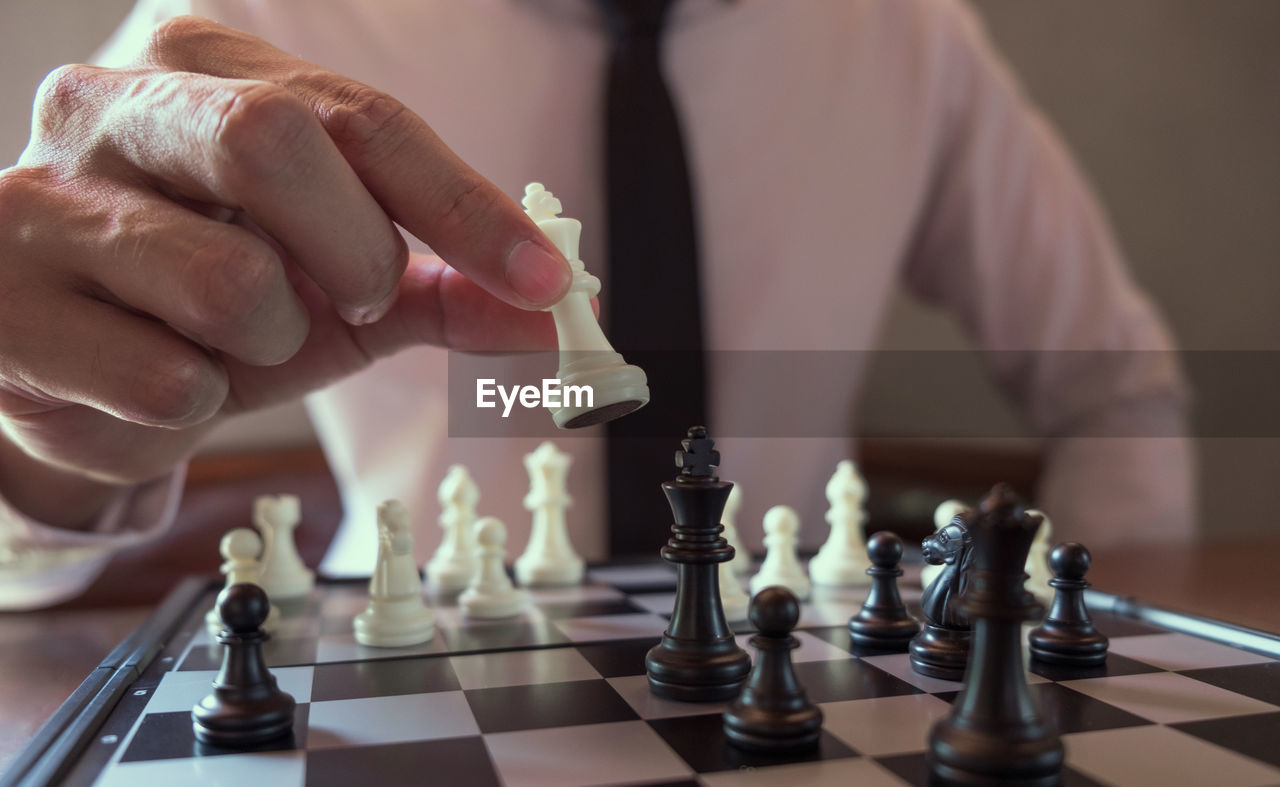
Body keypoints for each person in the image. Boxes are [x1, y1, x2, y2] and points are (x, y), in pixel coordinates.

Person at [0, 0, 1193, 610]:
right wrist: (46, 447)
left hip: (805, 671)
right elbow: (21, 560)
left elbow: (1113, 390)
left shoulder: (903, 30)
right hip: (401, 669)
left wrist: (1086, 645)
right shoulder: (242, 26)